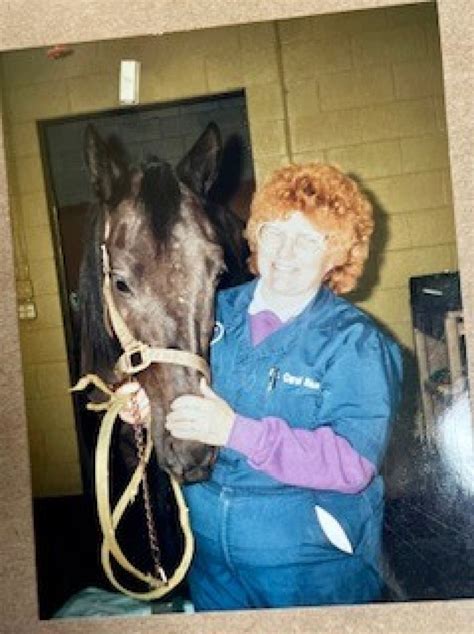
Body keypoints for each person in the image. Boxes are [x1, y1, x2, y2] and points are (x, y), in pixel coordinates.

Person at [120, 163, 403, 610]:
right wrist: (145, 401)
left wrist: (236, 431)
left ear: (337, 255)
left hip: (309, 567)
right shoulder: (214, 311)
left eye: (308, 239)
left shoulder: (358, 343)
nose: (286, 252)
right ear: (255, 237)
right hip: (212, 561)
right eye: (274, 232)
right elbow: (176, 382)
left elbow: (351, 465)